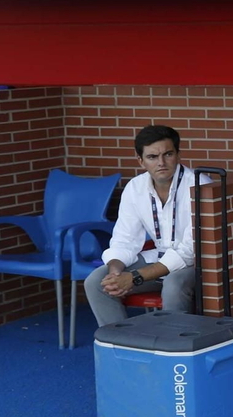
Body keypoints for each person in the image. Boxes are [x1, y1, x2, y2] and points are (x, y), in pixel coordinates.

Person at [83, 126, 204, 326]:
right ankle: (121, 346)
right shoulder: (135, 188)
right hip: (156, 259)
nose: (161, 163)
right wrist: (116, 274)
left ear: (178, 155)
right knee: (97, 282)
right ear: (141, 160)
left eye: (168, 154)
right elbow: (125, 239)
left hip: (193, 265)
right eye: (152, 157)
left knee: (173, 285)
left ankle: (172, 350)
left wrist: (134, 277)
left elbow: (189, 252)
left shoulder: (198, 186)